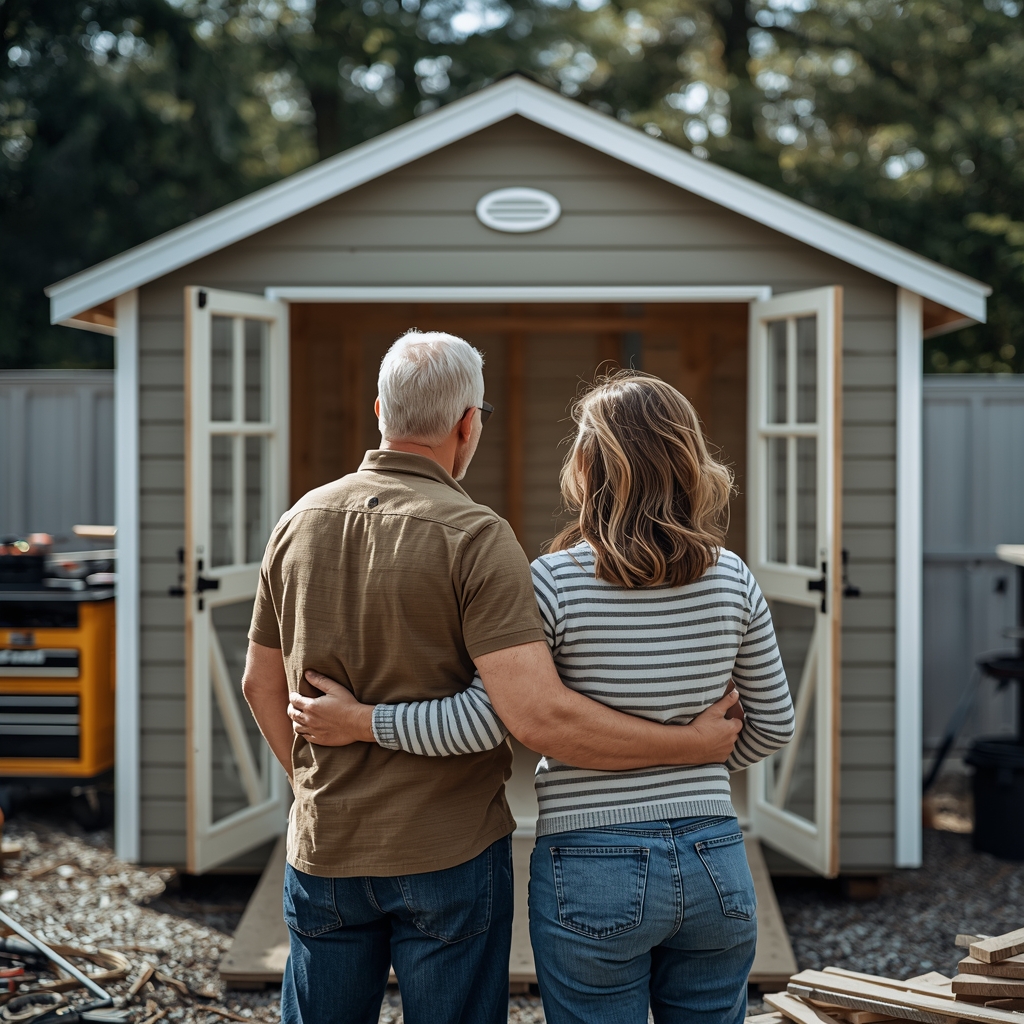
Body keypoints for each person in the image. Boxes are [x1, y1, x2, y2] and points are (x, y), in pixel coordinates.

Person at [241, 336, 746, 1024]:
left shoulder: (296, 522)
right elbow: (529, 715)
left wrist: (316, 789)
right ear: (468, 424)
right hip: (449, 848)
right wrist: (691, 746)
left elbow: (259, 685)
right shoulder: (476, 535)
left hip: (326, 843)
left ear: (382, 409)